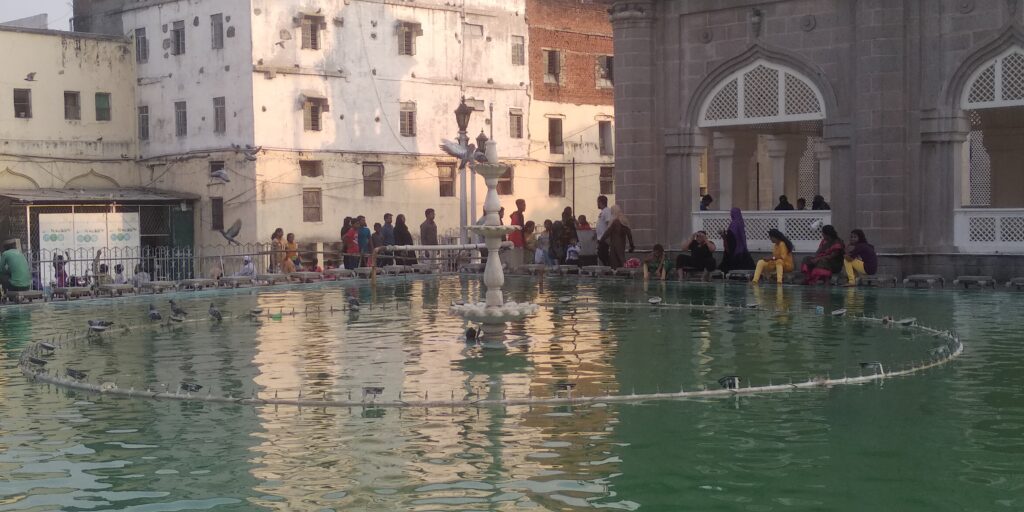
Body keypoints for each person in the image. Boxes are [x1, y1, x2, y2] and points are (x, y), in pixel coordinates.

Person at [718, 208, 755, 273]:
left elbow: (731, 236)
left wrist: (724, 235)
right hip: (741, 247)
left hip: (734, 247)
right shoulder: (741, 222)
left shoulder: (733, 224)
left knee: (731, 263)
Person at [596, 195, 612, 266]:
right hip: (600, 237)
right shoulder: (602, 212)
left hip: (604, 238)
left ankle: (609, 267)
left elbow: (609, 223)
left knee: (603, 254)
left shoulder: (607, 211)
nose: (597, 204)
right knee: (601, 254)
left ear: (601, 202)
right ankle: (607, 267)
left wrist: (607, 237)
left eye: (598, 202)